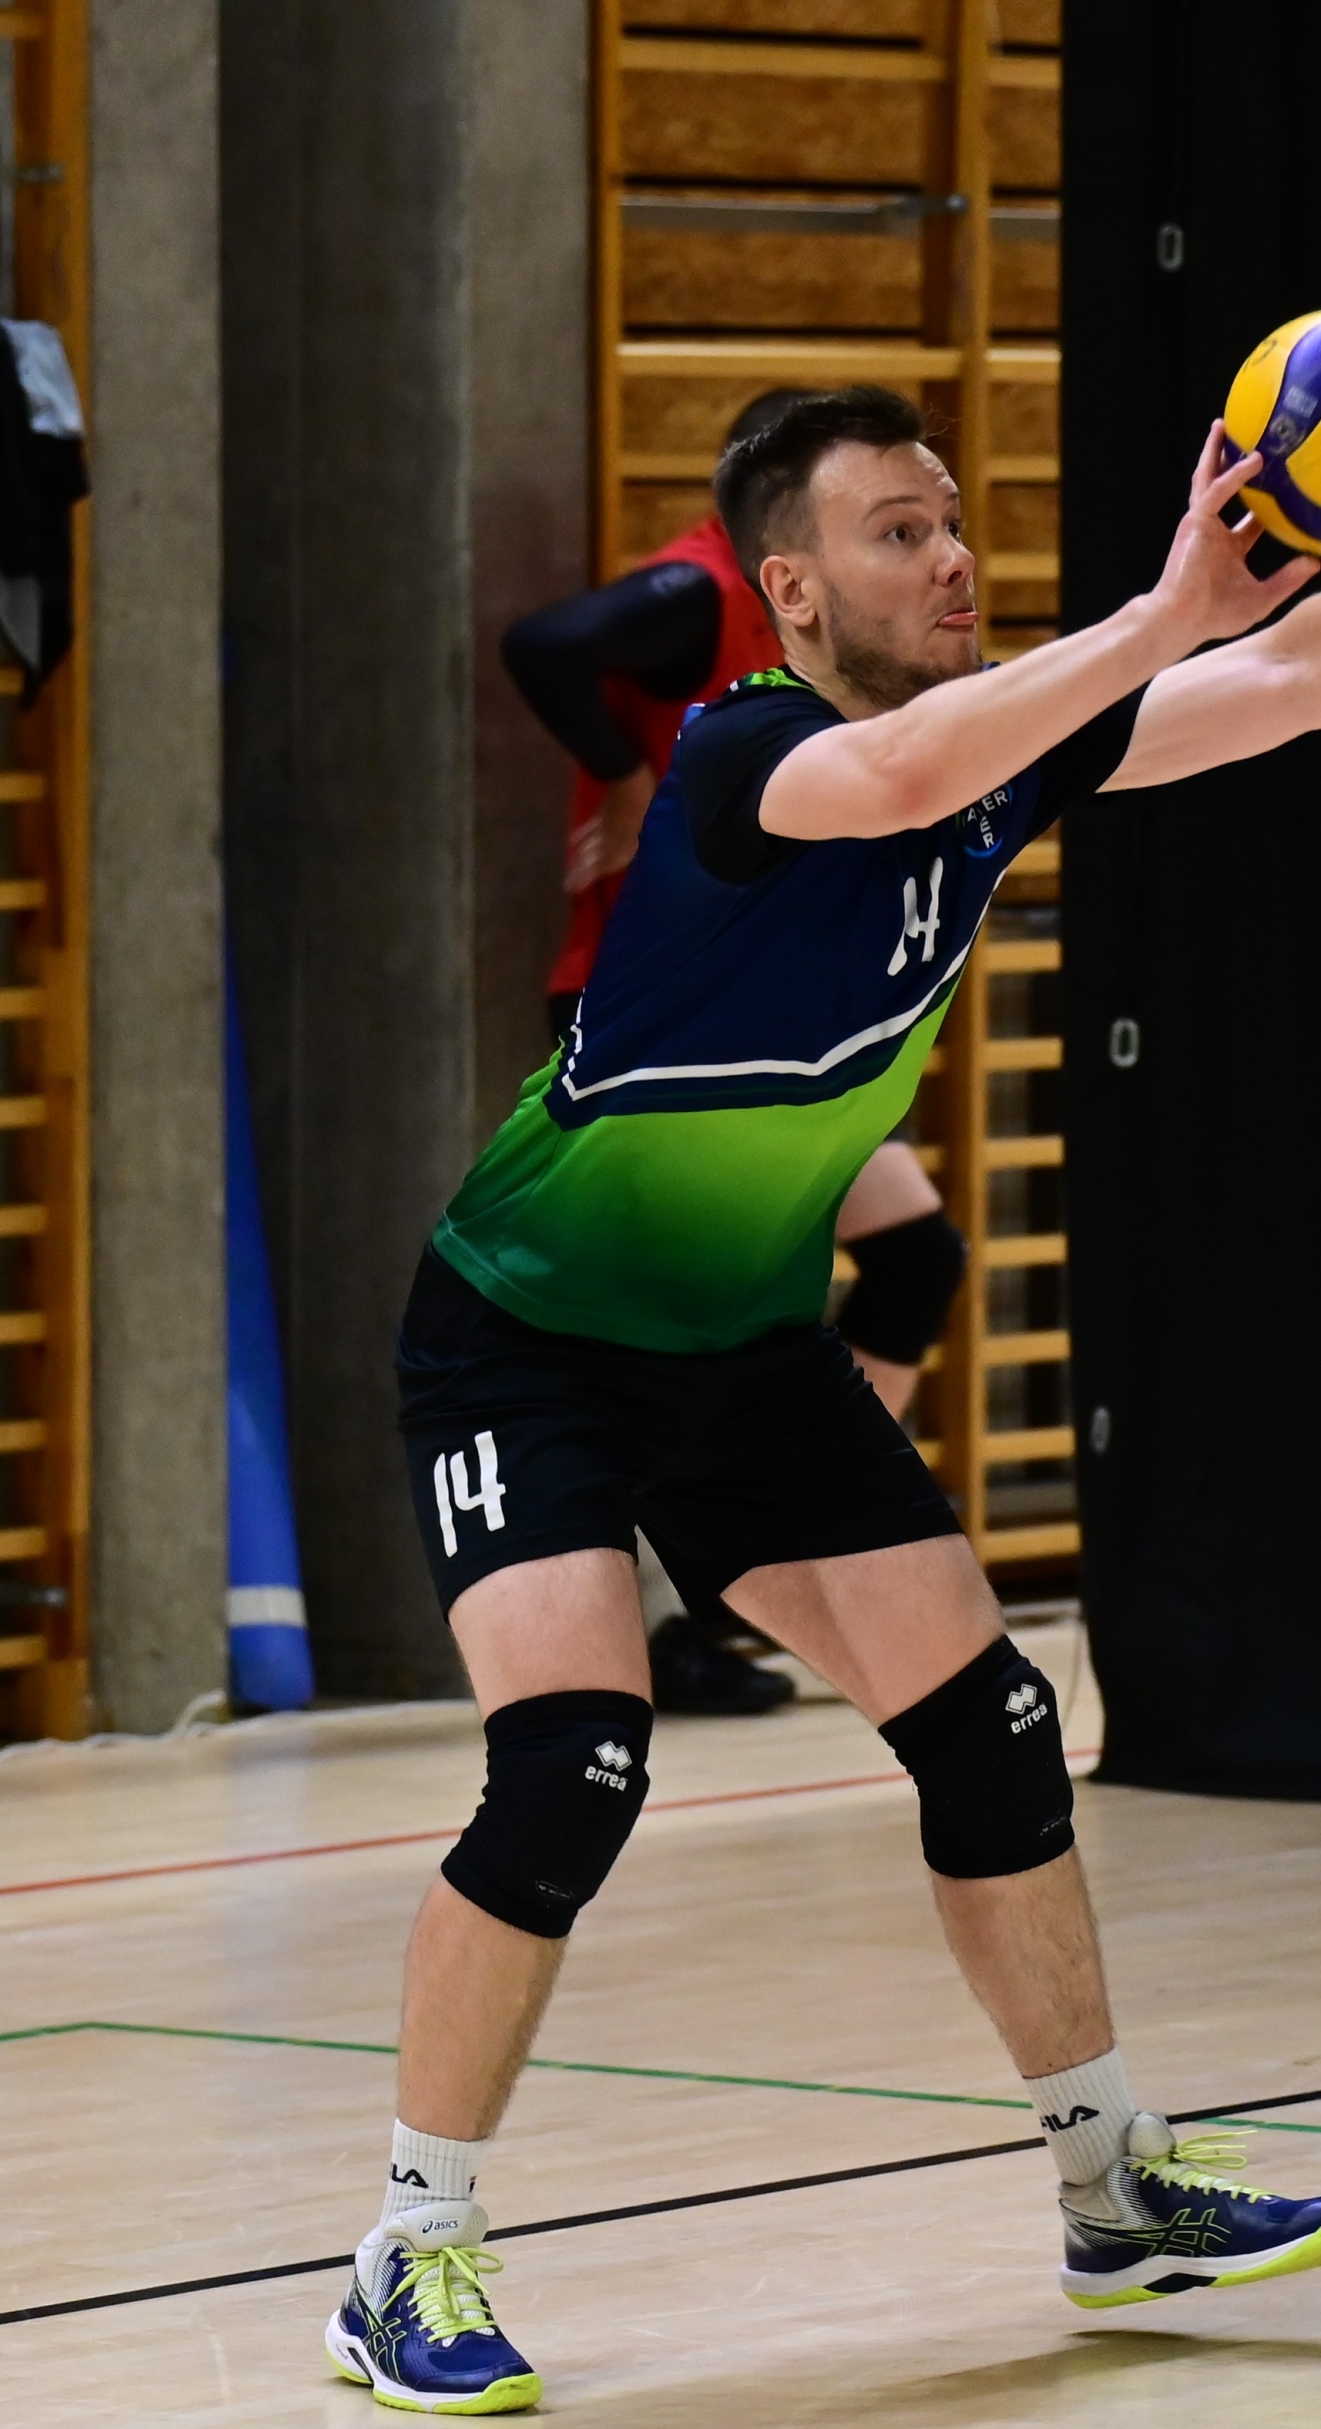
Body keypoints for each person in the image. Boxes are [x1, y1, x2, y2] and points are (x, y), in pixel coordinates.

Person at [327, 381, 1321, 2413]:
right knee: (572, 1765)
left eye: (953, 521)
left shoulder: (999, 747)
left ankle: (1111, 2184)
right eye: (898, 530)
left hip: (745, 1347)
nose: (950, 556)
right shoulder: (746, 750)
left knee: (995, 1726)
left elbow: (1299, 683)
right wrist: (1162, 614)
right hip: (528, 1336)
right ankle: (406, 2248)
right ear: (791, 587)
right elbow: (890, 777)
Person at [501, 391, 965, 1713]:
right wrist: (622, 773)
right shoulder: (703, 593)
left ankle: (740, 1560)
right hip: (654, 1028)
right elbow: (547, 643)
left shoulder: (844, 645)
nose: (930, 551)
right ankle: (661, 1613)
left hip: (778, 1029)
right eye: (890, 522)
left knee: (909, 1260)